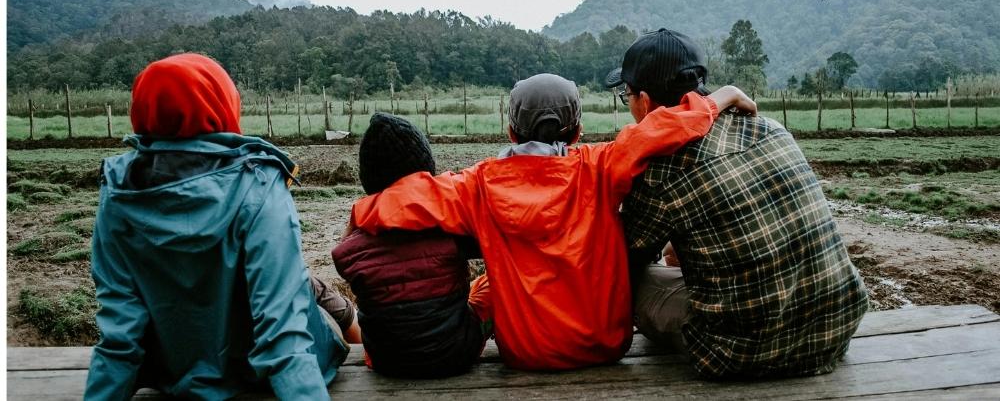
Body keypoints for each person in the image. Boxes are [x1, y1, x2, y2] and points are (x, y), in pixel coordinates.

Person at [350, 73, 756, 370]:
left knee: (487, 283)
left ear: (511, 131)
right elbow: (658, 130)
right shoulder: (600, 167)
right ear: (576, 131)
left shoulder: (477, 185)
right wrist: (722, 96)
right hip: (604, 346)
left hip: (526, 354)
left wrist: (361, 213)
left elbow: (408, 198)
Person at [85, 53, 353, 400]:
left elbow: (119, 337)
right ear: (225, 105)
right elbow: (283, 333)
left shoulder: (118, 191)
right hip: (256, 375)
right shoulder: (258, 183)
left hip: (176, 375)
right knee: (322, 314)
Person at [605, 28, 869, 379]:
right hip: (837, 328)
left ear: (645, 101)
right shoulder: (769, 127)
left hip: (739, 353)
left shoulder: (661, 169)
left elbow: (625, 258)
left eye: (626, 95)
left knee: (635, 280)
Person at [332, 113, 490, 378]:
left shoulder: (352, 247)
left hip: (386, 362)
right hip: (455, 355)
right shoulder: (448, 228)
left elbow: (342, 253)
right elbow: (490, 247)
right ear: (425, 171)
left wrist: (356, 221)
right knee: (489, 285)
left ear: (369, 180)